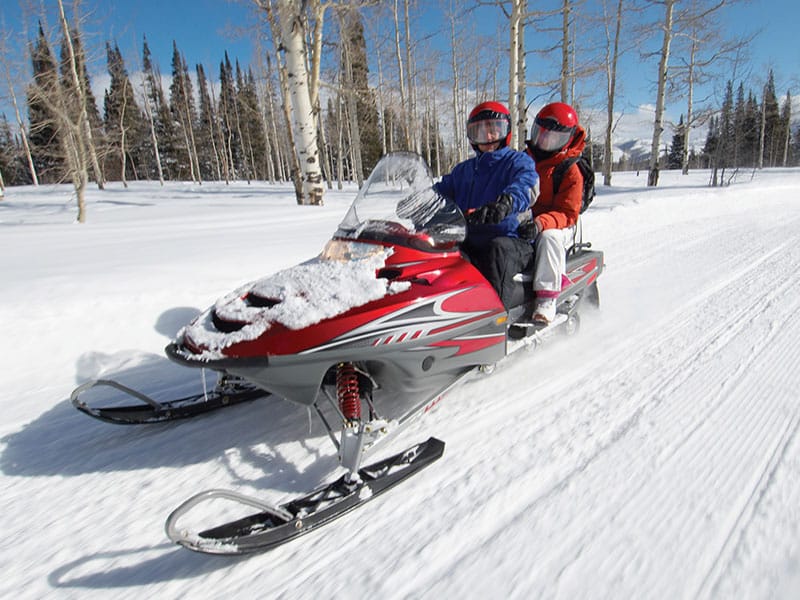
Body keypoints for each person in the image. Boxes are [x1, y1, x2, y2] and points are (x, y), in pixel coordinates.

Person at [434, 101, 539, 309]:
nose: (489, 138)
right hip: (469, 237)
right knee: (443, 254)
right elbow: (441, 190)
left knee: (497, 251)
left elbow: (527, 185)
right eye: (480, 132)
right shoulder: (463, 170)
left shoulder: (518, 162)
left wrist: (506, 203)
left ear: (506, 131)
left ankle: (494, 322)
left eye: (494, 130)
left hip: (512, 239)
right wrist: (420, 201)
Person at [522, 101, 587, 325]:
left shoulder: (569, 170)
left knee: (548, 239)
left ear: (566, 139)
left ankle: (546, 299)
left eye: (552, 137)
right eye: (540, 133)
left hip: (559, 224)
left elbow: (567, 212)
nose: (544, 141)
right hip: (526, 219)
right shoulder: (525, 159)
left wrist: (541, 223)